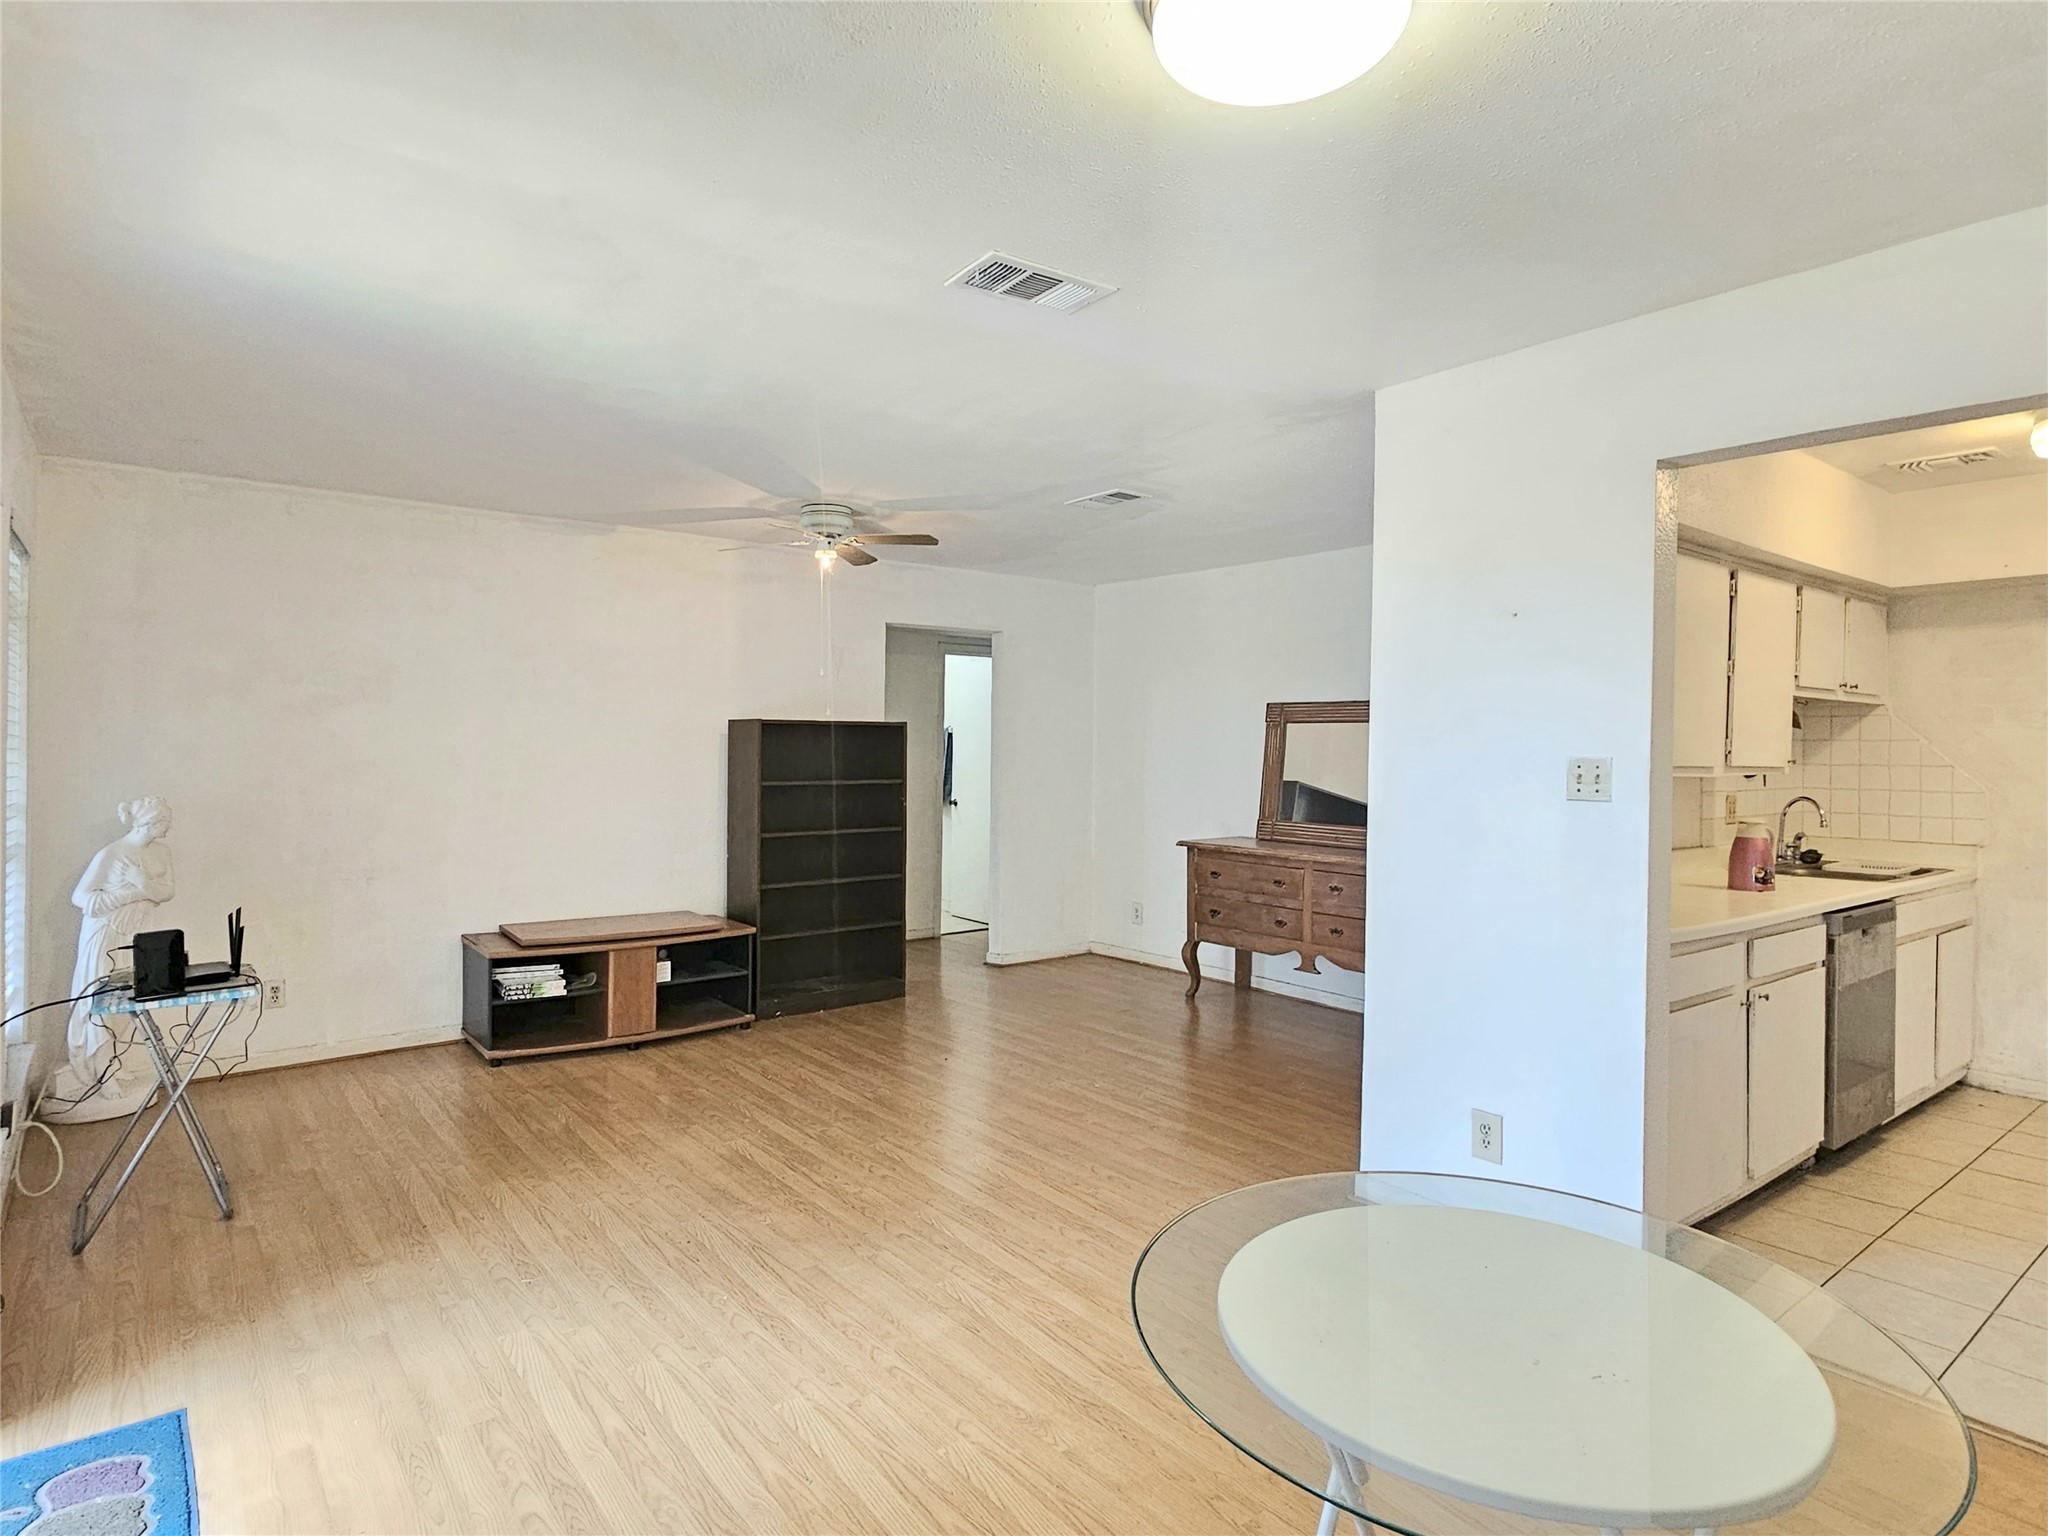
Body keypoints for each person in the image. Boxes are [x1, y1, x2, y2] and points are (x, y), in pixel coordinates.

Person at [42, 797, 175, 1124]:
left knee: (128, 1000)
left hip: (139, 931)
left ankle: (113, 1062)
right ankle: (99, 1070)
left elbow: (165, 892)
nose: (167, 827)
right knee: (98, 1000)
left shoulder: (161, 853)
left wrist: (144, 885)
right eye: (164, 821)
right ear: (148, 822)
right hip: (105, 933)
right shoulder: (112, 854)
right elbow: (81, 898)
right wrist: (137, 891)